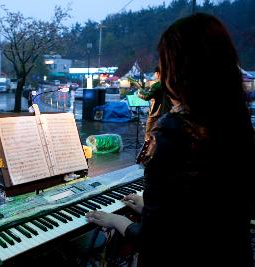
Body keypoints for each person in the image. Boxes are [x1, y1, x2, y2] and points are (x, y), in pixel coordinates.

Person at [86, 13, 255, 267]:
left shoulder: (173, 132)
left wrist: (116, 221)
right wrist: (148, 207)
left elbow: (156, 238)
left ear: (176, 70)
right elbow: (202, 211)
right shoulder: (235, 122)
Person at [137, 66, 171, 140]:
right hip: (167, 113)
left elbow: (147, 97)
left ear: (158, 73)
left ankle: (149, 150)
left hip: (155, 114)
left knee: (149, 135)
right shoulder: (169, 85)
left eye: (155, 73)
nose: (154, 75)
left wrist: (139, 93)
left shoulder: (156, 85)